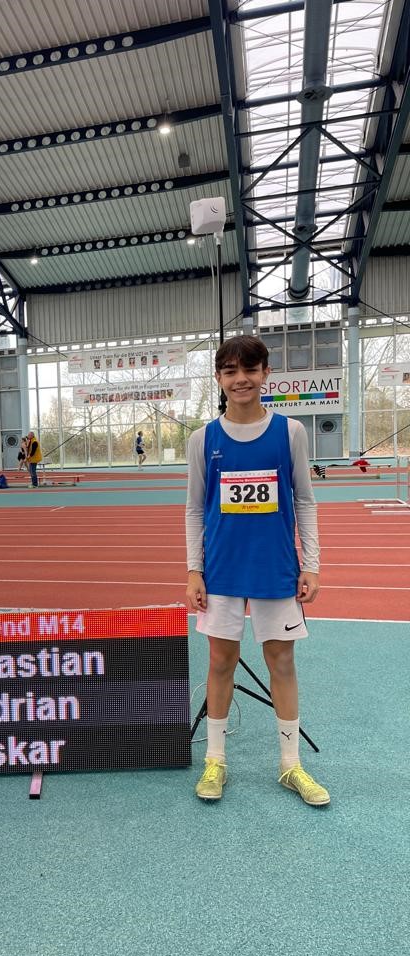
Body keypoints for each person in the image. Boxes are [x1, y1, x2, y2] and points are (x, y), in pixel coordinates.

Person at [185, 335, 328, 807]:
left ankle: (291, 766)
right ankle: (215, 760)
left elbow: (305, 500)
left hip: (275, 569)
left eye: (249, 369)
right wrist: (193, 570)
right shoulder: (203, 439)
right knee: (220, 663)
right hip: (221, 571)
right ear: (219, 378)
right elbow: (194, 509)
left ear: (266, 373)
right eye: (230, 371)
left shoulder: (290, 432)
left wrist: (312, 565)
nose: (240, 379)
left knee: (281, 663)